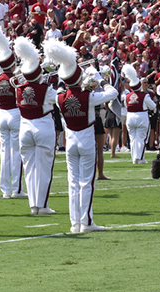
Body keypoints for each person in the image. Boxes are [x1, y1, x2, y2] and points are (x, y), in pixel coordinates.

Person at [46, 38, 118, 233]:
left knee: (73, 182)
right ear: (79, 77)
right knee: (87, 182)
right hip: (86, 138)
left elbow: (56, 91)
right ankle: (86, 222)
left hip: (69, 140)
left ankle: (75, 223)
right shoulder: (89, 96)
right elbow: (113, 93)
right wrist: (99, 79)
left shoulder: (59, 97)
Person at [14, 36, 58, 215]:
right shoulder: (46, 89)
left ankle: (33, 205)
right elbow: (58, 99)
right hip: (43, 127)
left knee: (30, 168)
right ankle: (43, 205)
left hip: (24, 128)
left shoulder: (18, 88)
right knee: (44, 168)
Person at [0, 26, 26, 199]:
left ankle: (5, 189)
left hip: (2, 114)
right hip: (15, 113)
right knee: (16, 152)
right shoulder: (16, 78)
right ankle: (16, 189)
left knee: (4, 153)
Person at [123, 71, 155, 165]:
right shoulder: (144, 95)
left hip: (130, 116)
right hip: (141, 116)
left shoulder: (127, 96)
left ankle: (134, 158)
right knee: (142, 138)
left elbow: (126, 106)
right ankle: (139, 158)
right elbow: (153, 106)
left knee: (133, 138)